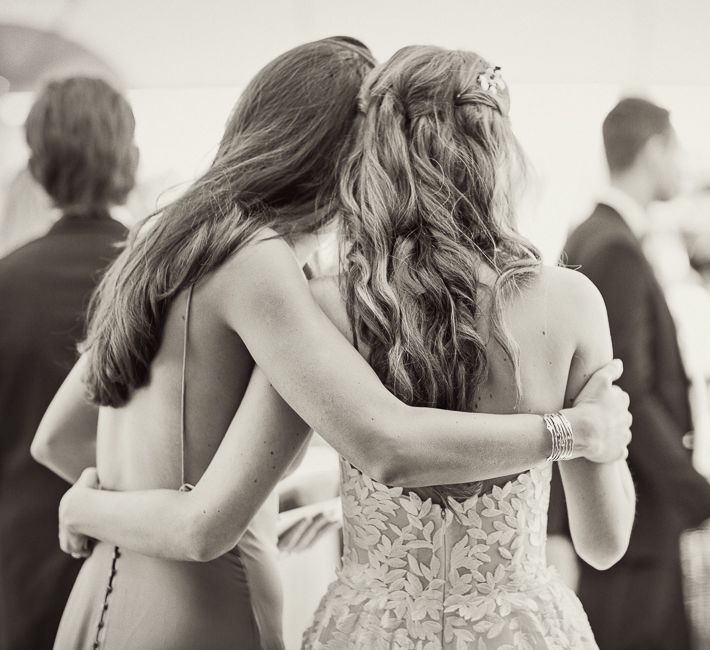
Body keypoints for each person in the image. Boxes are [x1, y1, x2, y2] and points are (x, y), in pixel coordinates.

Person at [38, 39, 630, 650]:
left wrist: (144, 508)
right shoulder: (268, 271)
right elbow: (386, 444)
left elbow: (57, 438)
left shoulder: (168, 243)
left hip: (117, 595)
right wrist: (578, 432)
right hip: (215, 607)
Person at [549, 97, 710, 649]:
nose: (681, 165)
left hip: (626, 516)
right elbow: (627, 390)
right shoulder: (614, 246)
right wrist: (697, 496)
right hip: (630, 522)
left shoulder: (595, 233)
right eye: (676, 149)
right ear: (654, 149)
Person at [0, 77, 133, 650]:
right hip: (140, 546)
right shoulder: (165, 279)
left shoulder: (6, 284)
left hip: (23, 557)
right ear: (128, 156)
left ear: (36, 164)